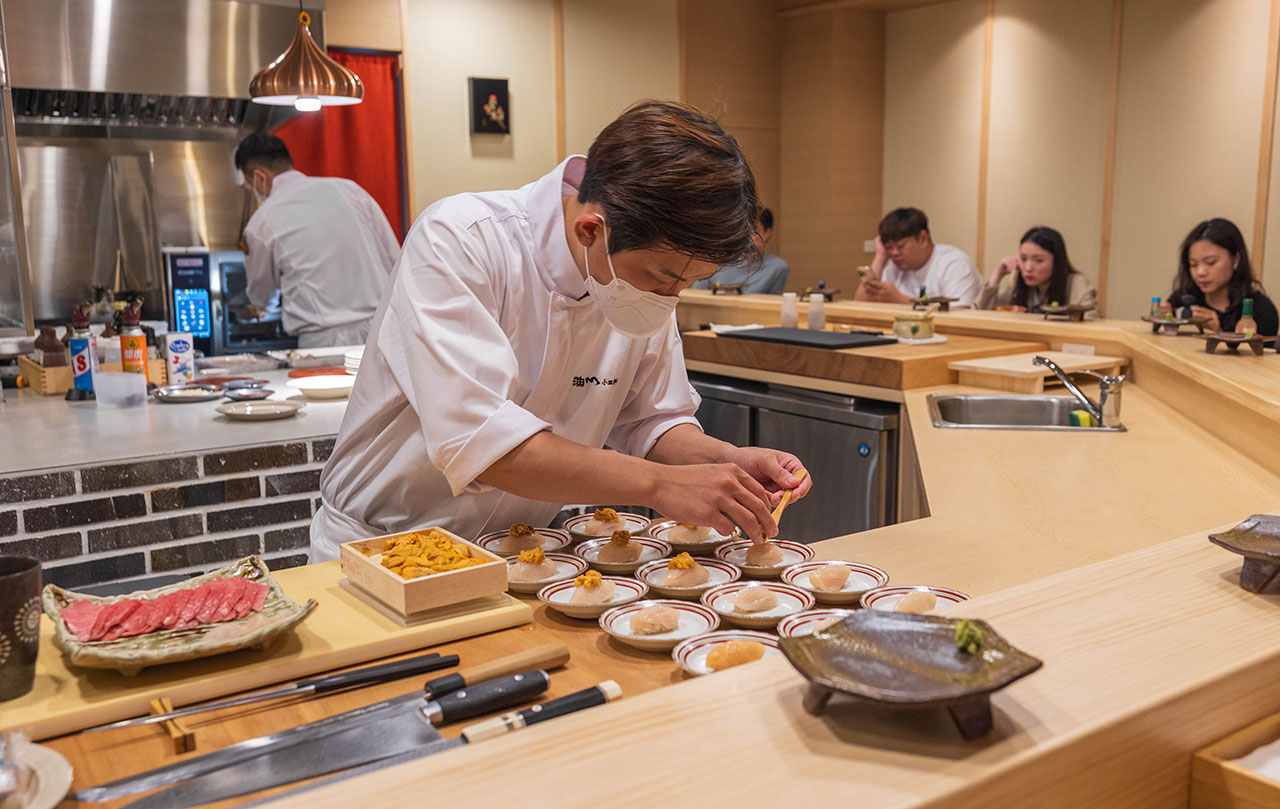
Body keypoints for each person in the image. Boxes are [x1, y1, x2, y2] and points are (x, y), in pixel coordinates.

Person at [311, 101, 812, 562]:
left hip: (521, 554)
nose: (672, 298)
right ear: (590, 230)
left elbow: (653, 422)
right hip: (378, 549)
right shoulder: (462, 241)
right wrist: (660, 486)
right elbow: (484, 446)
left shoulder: (641, 279)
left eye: (690, 281)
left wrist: (729, 464)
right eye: (666, 277)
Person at [235, 133, 400, 348]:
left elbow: (262, 292)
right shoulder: (349, 189)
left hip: (323, 342)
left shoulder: (261, 222)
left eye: (250, 184)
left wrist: (260, 305)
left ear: (259, 177)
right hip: (381, 332)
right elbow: (394, 257)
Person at [1160, 218, 1278, 336]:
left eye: (1211, 262)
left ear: (1235, 258)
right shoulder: (1188, 296)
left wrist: (1218, 333)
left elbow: (1260, 354)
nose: (1200, 272)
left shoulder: (1261, 310)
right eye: (1193, 264)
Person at [855, 207, 983, 307]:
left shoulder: (955, 264)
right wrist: (881, 256)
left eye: (900, 246)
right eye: (889, 247)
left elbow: (958, 315)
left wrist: (900, 300)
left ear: (923, 239)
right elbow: (860, 305)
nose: (894, 253)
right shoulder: (894, 267)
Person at [976, 226, 1098, 314]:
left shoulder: (1077, 284)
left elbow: (1091, 323)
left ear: (1057, 261)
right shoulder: (1018, 285)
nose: (1028, 268)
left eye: (1038, 260)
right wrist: (997, 276)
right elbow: (982, 316)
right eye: (1023, 259)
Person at [691, 208, 790, 294]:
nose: (748, 236)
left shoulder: (777, 267)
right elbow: (694, 294)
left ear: (767, 232)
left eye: (754, 230)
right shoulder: (720, 260)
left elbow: (771, 305)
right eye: (744, 230)